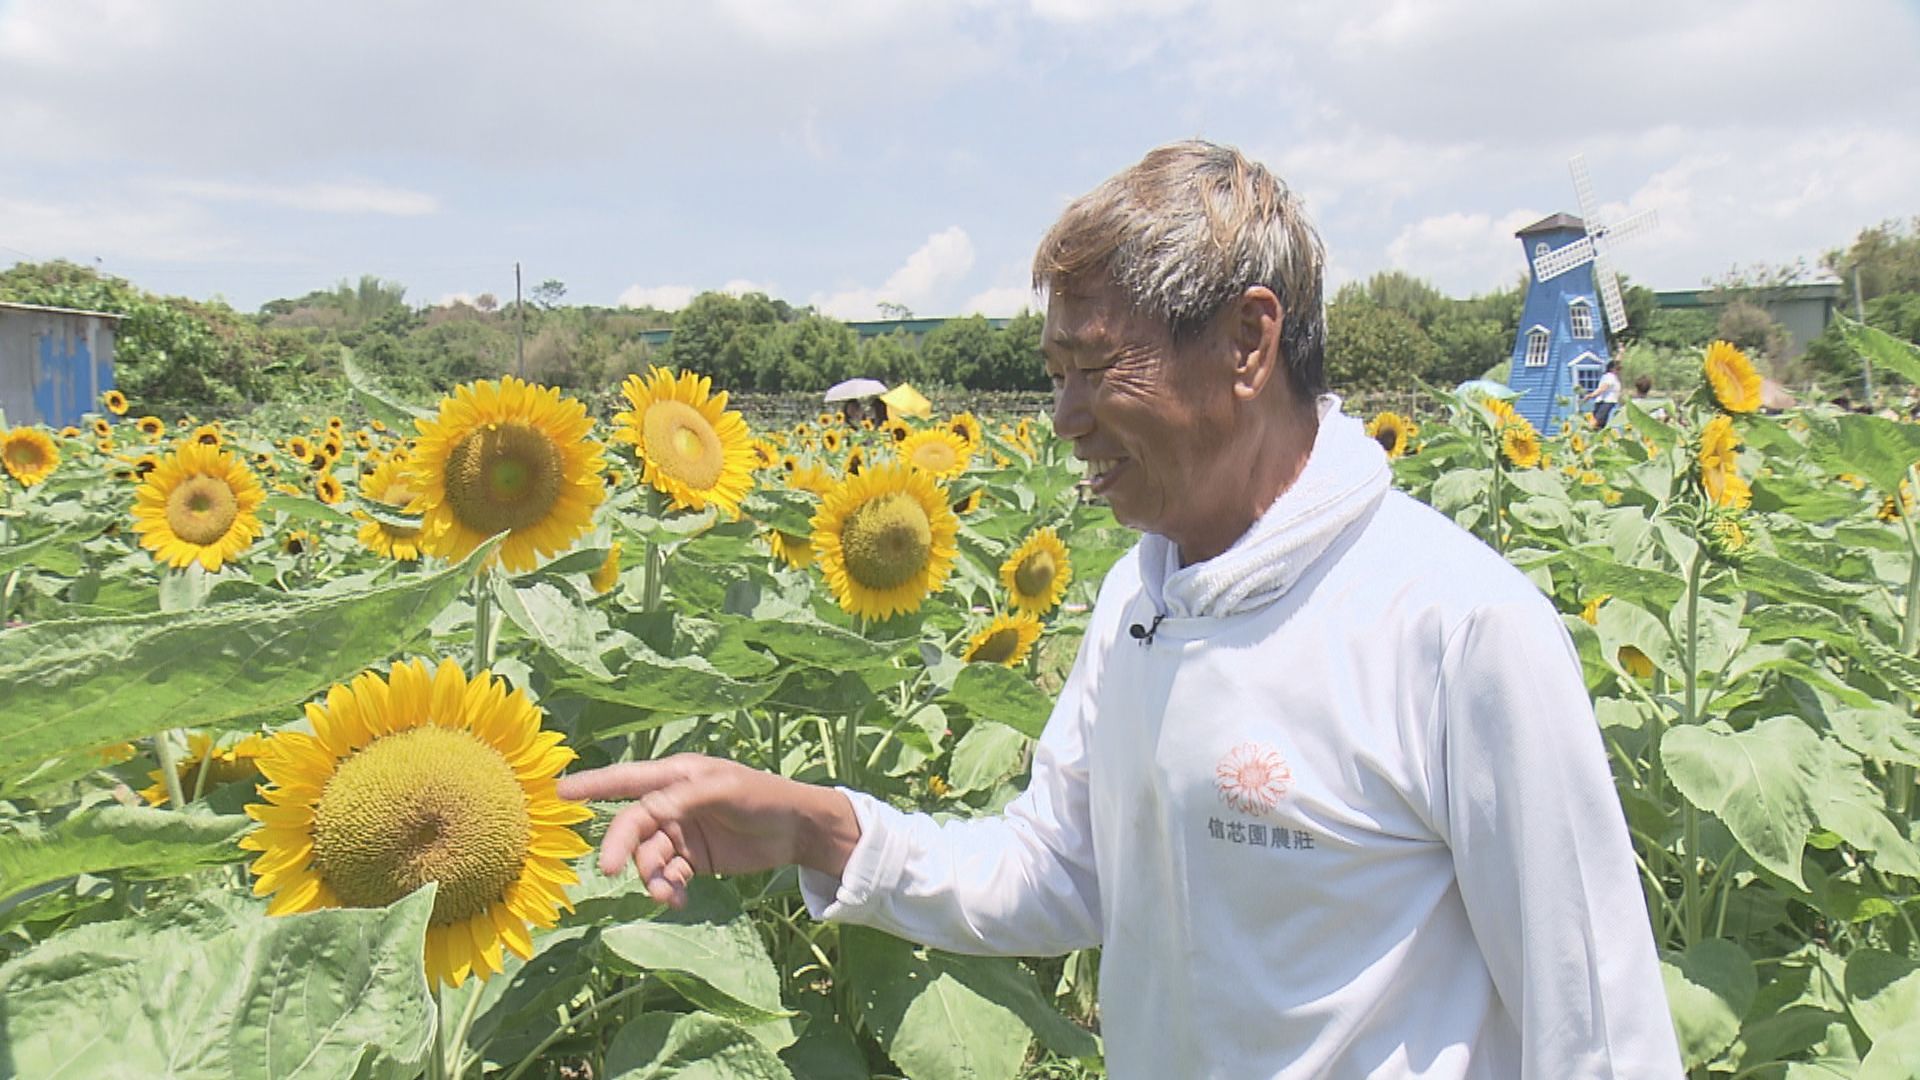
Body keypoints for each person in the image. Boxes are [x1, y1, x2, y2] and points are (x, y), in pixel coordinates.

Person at [558, 140, 1681, 1078]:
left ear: (1249, 340)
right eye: (1055, 373)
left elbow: (1597, 1032)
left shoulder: (1453, 627)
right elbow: (1064, 873)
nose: (1065, 416)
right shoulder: (1141, 598)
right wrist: (819, 826)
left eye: (1096, 366)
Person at [1584, 358, 1623, 427]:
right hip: (1605, 402)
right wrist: (1591, 395)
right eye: (1617, 369)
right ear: (1611, 369)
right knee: (1596, 422)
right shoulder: (1610, 376)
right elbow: (1603, 388)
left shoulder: (1611, 377)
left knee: (1600, 425)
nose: (1619, 371)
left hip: (1608, 403)